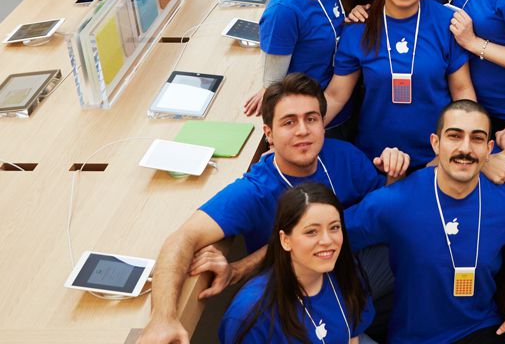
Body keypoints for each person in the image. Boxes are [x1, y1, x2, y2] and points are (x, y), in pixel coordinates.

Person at [137, 75, 406, 344]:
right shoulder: (256, 190)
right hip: (293, 296)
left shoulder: (344, 156)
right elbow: (181, 239)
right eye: (289, 122)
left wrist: (394, 176)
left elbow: (378, 215)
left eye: (311, 119)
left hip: (345, 277)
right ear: (269, 134)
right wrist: (163, 317)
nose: (302, 130)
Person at [344, 100, 505, 344]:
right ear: (436, 143)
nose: (465, 148)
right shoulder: (395, 200)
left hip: (479, 329)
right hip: (413, 337)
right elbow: (333, 239)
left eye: (477, 138)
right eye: (454, 136)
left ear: (488, 148)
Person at [328, 0, 475, 166]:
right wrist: (302, 134)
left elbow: (462, 90)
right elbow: (336, 95)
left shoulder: (446, 22)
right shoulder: (359, 28)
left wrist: (458, 149)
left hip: (435, 157)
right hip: (375, 156)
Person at [218, 183, 374, 344]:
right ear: (285, 240)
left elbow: (353, 336)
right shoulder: (249, 315)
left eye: (334, 227)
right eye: (312, 231)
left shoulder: (346, 270)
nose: (328, 241)